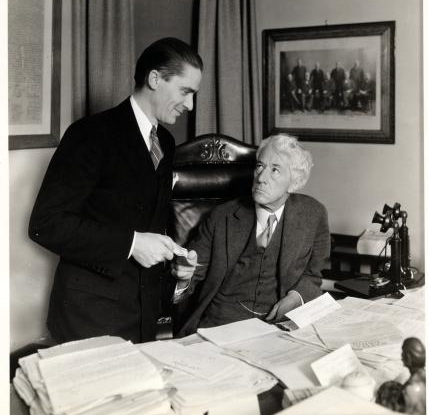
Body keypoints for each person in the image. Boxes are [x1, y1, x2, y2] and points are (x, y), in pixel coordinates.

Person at [28, 37, 203, 344]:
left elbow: (149, 224)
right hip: (89, 317)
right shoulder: (90, 134)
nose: (190, 105)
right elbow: (46, 225)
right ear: (154, 79)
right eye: (185, 91)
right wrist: (132, 243)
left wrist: (175, 273)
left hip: (142, 317)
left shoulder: (166, 142)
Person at [171, 134, 330, 336]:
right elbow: (189, 275)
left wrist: (296, 298)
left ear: (294, 182)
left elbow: (313, 274)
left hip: (279, 327)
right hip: (221, 325)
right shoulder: (222, 217)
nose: (261, 178)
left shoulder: (313, 214)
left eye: (275, 170)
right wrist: (183, 279)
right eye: (259, 166)